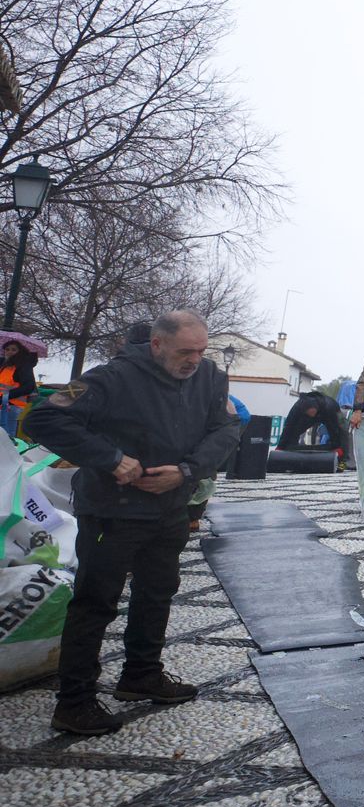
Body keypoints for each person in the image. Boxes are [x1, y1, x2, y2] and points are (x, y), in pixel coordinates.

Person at [29, 311, 239, 736]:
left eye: (201, 351)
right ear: (157, 344)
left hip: (171, 507)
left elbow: (227, 428)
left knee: (158, 592)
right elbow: (42, 418)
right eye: (185, 352)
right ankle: (74, 702)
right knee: (95, 602)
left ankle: (140, 675)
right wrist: (111, 460)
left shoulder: (210, 376)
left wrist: (186, 470)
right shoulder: (109, 378)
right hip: (113, 510)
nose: (194, 360)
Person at [0, 332, 44, 436]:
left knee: (6, 436)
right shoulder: (5, 366)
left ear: (20, 351)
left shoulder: (23, 366)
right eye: (7, 349)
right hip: (4, 404)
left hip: (12, 405)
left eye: (14, 349)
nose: (9, 352)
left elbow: (28, 387)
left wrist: (5, 397)